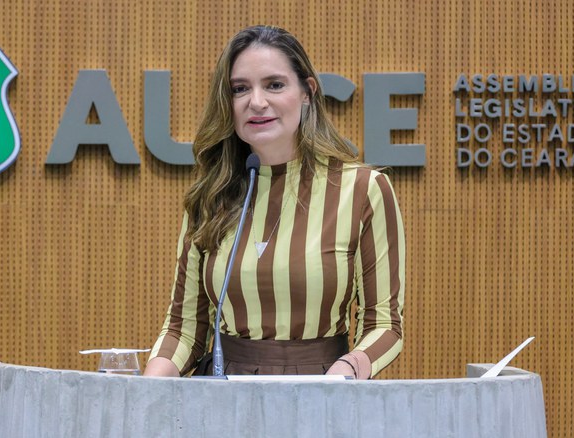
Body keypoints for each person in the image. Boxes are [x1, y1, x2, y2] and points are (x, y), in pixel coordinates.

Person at [144, 25, 405, 379]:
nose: (256, 102)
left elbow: (385, 325)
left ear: (307, 92)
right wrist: (146, 392)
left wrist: (346, 371)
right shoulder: (211, 195)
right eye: (240, 89)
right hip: (222, 394)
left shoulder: (363, 189)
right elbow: (183, 328)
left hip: (323, 389)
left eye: (274, 85)